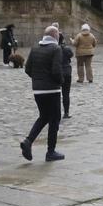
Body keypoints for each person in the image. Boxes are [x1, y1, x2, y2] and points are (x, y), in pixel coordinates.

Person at [20, 26, 65, 162]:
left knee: (44, 117)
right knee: (54, 120)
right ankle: (50, 152)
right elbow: (56, 71)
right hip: (52, 90)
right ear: (55, 36)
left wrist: (38, 79)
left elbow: (28, 69)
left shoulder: (35, 49)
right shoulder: (56, 49)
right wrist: (61, 82)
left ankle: (28, 141)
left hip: (38, 90)